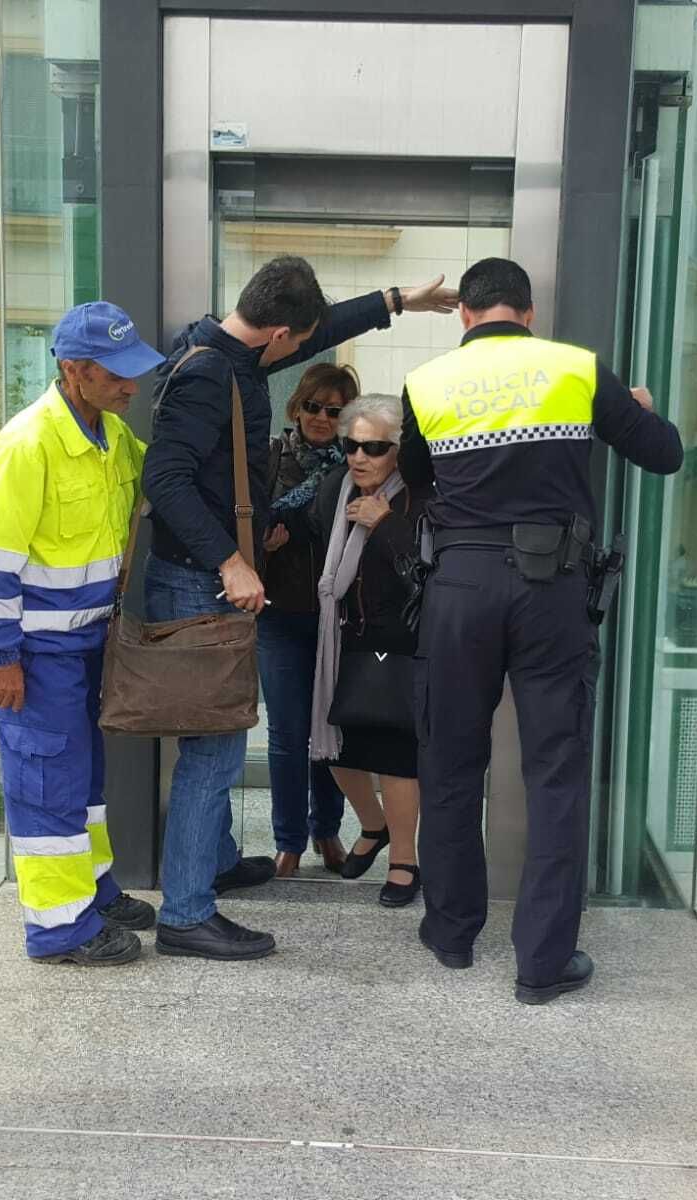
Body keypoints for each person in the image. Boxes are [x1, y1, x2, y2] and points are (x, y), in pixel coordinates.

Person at [141, 255, 457, 961]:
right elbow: (163, 478)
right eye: (299, 339)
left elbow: (316, 334)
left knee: (216, 739)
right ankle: (188, 913)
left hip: (208, 579)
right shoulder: (205, 375)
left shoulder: (223, 347)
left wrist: (399, 300)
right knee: (214, 750)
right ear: (275, 333)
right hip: (203, 582)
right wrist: (230, 560)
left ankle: (216, 863)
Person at [399, 257, 684, 1004]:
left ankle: (452, 934)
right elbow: (665, 455)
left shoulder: (426, 383)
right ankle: (542, 963)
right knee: (554, 771)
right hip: (549, 588)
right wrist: (638, 409)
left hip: (457, 588)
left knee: (452, 763)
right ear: (527, 312)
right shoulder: (579, 369)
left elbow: (416, 475)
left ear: (466, 314)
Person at [0, 302, 163, 966]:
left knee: (84, 780)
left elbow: (159, 480)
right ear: (73, 370)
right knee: (45, 782)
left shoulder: (108, 434)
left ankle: (91, 892)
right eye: (116, 374)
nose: (131, 386)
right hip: (37, 654)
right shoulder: (27, 444)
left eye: (134, 372)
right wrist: (0, 657)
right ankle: (59, 929)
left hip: (88, 646)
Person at [295, 395, 430, 908]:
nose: (359, 456)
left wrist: (385, 522)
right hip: (343, 640)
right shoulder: (335, 489)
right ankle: (372, 825)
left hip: (400, 641)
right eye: (352, 445)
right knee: (334, 751)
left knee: (396, 757)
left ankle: (404, 858)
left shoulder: (418, 498)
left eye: (374, 447)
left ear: (397, 450)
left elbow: (425, 568)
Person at [258, 363, 361, 878]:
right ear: (296, 408)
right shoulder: (271, 459)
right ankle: (288, 840)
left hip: (336, 620)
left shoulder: (358, 466)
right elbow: (245, 525)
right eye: (314, 407)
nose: (322, 418)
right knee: (287, 732)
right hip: (278, 615)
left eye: (335, 410)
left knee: (330, 730)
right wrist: (264, 545)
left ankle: (327, 831)